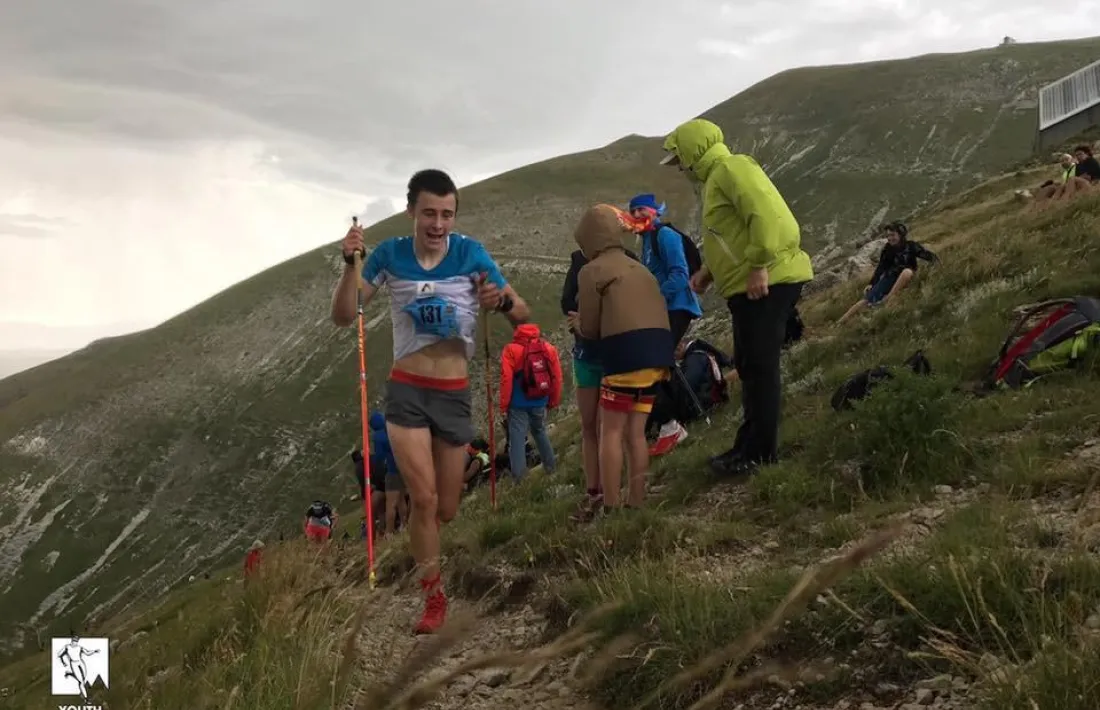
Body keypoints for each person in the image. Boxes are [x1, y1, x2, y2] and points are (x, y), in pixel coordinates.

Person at [330, 168, 530, 635]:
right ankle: (433, 597)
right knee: (422, 500)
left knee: (446, 507)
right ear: (410, 212)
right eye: (429, 214)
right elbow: (344, 316)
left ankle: (428, 550)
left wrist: (499, 302)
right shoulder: (389, 255)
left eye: (446, 214)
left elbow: (522, 315)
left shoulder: (471, 253)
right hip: (407, 390)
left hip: (453, 395)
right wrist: (349, 267)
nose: (438, 224)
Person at [660, 118, 813, 478]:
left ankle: (759, 454)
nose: (679, 168)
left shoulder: (732, 168)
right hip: (749, 286)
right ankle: (748, 447)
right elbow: (729, 237)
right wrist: (708, 273)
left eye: (679, 159)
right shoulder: (713, 181)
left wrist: (760, 264)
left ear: (693, 152)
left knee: (759, 367)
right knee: (748, 364)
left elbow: (769, 217)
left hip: (767, 280)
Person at [574, 204, 674, 516]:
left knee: (611, 432)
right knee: (636, 433)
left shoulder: (591, 270)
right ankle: (637, 500)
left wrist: (577, 324)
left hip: (624, 355)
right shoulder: (639, 267)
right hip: (658, 355)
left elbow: (590, 330)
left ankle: (611, 504)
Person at [562, 242, 639, 520]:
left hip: (610, 356)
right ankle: (595, 493)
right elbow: (566, 301)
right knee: (590, 425)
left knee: (609, 428)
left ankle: (615, 496)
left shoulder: (627, 257)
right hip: (587, 352)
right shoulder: (579, 260)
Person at [629, 193, 703, 346]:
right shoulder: (647, 239)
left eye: (641, 209)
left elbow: (679, 274)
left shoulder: (665, 234)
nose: (636, 215)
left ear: (654, 211)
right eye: (632, 212)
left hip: (676, 306)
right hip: (665, 307)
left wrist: (657, 298)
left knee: (661, 354)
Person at [836, 221, 938, 324]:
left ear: (901, 235)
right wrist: (871, 283)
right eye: (888, 235)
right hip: (890, 277)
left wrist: (937, 264)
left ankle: (887, 299)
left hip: (905, 276)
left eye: (892, 235)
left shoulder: (911, 246)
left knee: (907, 272)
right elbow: (881, 267)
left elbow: (927, 255)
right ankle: (840, 322)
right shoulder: (887, 249)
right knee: (867, 299)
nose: (889, 238)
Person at [498, 323, 562, 481]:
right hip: (540, 400)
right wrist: (553, 400)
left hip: (518, 404)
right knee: (540, 432)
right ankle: (551, 468)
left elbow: (506, 379)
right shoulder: (548, 348)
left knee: (517, 441)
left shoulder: (511, 350)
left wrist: (504, 405)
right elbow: (557, 377)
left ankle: (520, 480)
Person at [369, 411, 410, 536]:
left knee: (390, 504)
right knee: (401, 499)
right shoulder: (393, 429)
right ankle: (404, 525)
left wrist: (374, 459)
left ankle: (389, 532)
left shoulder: (378, 436)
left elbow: (379, 457)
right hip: (403, 468)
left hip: (392, 470)